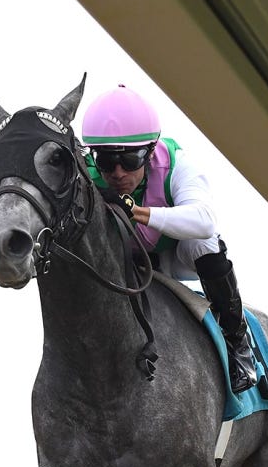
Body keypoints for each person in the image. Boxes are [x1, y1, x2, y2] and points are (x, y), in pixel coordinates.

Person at [81, 84, 258, 394]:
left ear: (150, 152)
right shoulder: (86, 171)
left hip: (172, 256)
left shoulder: (176, 164)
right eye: (107, 162)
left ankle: (237, 341)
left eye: (131, 159)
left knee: (203, 242)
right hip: (123, 256)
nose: (118, 172)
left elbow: (205, 220)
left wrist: (138, 212)